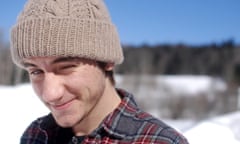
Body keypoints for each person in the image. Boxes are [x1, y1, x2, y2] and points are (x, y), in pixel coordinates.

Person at [10, 0, 189, 143]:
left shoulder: (158, 141)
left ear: (107, 61)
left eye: (66, 67)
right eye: (35, 71)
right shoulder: (37, 134)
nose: (50, 94)